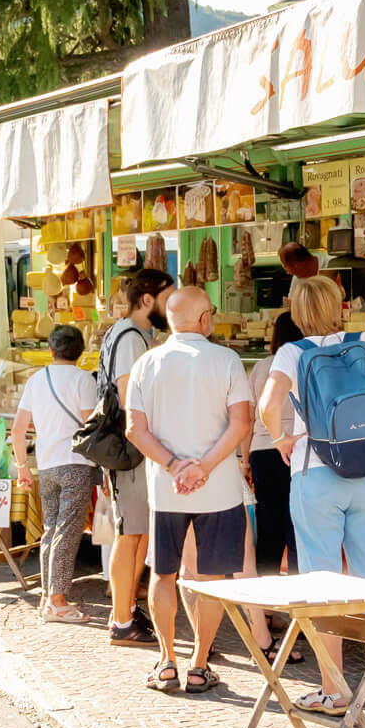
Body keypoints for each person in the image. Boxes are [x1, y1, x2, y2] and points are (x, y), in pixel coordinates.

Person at [257, 276, 365, 716]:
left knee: (322, 584)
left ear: (297, 312)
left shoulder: (292, 353)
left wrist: (281, 438)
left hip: (316, 475)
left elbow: (267, 406)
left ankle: (333, 688)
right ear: (339, 306)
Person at [124, 287, 254, 695]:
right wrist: (205, 467)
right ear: (203, 319)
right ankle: (199, 664)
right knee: (212, 578)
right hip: (219, 489)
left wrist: (174, 465)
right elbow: (241, 424)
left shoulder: (146, 363)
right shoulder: (226, 360)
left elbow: (135, 430)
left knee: (163, 574)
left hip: (166, 488)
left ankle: (166, 661)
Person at [97, 266, 175, 647]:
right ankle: (121, 621)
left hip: (133, 446)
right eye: (166, 297)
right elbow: (128, 397)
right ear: (148, 299)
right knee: (130, 535)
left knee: (137, 532)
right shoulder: (130, 337)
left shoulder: (134, 335)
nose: (170, 305)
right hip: (130, 448)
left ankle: (126, 611)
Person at [9, 325, 99, 623]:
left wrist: (23, 466)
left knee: (52, 529)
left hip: (46, 465)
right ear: (81, 352)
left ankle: (48, 598)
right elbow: (91, 428)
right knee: (68, 531)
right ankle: (58, 601)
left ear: (51, 349)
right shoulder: (84, 380)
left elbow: (18, 430)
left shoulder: (36, 379)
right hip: (76, 463)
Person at [244, 312, 303, 578]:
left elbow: (249, 417)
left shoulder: (260, 367)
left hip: (263, 451)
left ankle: (264, 611)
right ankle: (298, 608)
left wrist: (244, 461)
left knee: (268, 529)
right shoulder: (307, 361)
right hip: (298, 451)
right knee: (298, 529)